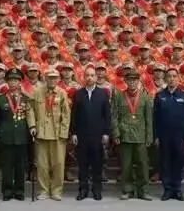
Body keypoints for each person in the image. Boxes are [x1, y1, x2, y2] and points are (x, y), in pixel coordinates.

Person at [27, 69, 71, 201]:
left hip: (57, 133)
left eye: (54, 78)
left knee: (58, 164)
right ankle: (44, 190)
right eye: (50, 77)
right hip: (41, 133)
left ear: (58, 79)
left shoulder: (62, 93)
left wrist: (64, 132)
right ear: (45, 78)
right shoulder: (37, 92)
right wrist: (32, 126)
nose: (52, 80)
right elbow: (30, 110)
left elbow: (66, 114)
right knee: (42, 165)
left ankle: (56, 191)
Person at [70, 67, 111, 201]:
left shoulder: (103, 93)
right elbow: (74, 115)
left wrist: (106, 132)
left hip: (97, 135)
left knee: (97, 164)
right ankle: (83, 190)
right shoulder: (78, 94)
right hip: (82, 135)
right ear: (84, 77)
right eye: (87, 75)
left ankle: (96, 190)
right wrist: (74, 133)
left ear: (96, 77)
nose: (89, 78)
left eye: (92, 75)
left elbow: (107, 115)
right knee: (83, 164)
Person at [111, 69, 153, 201]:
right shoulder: (119, 96)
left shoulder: (145, 97)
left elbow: (149, 118)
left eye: (134, 80)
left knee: (143, 165)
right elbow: (114, 116)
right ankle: (127, 190)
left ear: (138, 81)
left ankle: (143, 190)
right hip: (125, 136)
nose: (132, 82)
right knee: (126, 165)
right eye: (129, 80)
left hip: (140, 136)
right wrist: (116, 133)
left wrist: (149, 136)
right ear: (126, 81)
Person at [154, 66, 184, 201]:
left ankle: (177, 189)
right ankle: (167, 189)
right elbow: (155, 117)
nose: (172, 79)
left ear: (178, 78)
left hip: (179, 136)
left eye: (174, 76)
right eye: (169, 76)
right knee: (165, 162)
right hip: (164, 136)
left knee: (178, 162)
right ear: (166, 78)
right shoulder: (160, 96)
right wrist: (156, 135)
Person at [0, 68, 30, 201]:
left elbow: (30, 118)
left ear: (20, 82)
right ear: (7, 82)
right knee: (7, 166)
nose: (13, 82)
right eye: (11, 80)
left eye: (16, 80)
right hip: (6, 136)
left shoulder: (26, 99)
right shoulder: (0, 99)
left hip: (21, 136)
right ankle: (7, 191)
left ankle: (19, 191)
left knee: (20, 166)